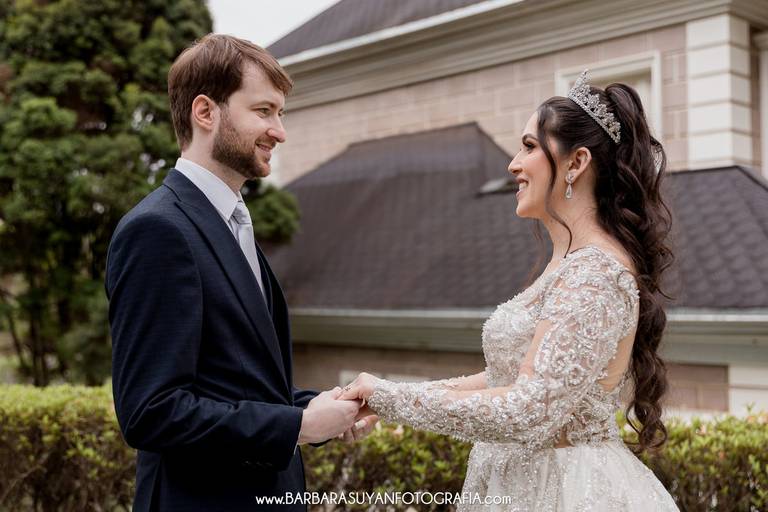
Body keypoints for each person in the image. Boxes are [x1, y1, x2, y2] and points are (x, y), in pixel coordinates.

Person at [340, 70, 679, 511]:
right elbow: (506, 379)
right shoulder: (566, 264)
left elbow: (530, 409)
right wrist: (384, 395)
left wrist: (391, 398)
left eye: (530, 146)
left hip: (567, 491)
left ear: (576, 163)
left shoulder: (595, 273)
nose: (513, 164)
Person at [105, 34, 378, 512]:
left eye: (280, 113)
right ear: (205, 112)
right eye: (264, 111)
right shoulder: (157, 230)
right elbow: (150, 412)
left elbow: (241, 384)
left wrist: (316, 408)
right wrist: (297, 427)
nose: (280, 131)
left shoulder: (231, 221)